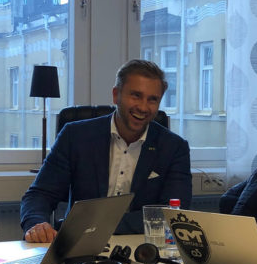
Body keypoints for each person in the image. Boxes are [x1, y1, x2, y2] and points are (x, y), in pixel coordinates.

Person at [20, 59, 191, 239]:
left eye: (152, 99)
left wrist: (93, 224)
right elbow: (40, 194)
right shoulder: (76, 136)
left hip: (143, 249)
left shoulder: (173, 148)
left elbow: (174, 212)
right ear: (116, 95)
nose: (143, 107)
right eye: (136, 96)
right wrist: (37, 224)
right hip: (79, 246)